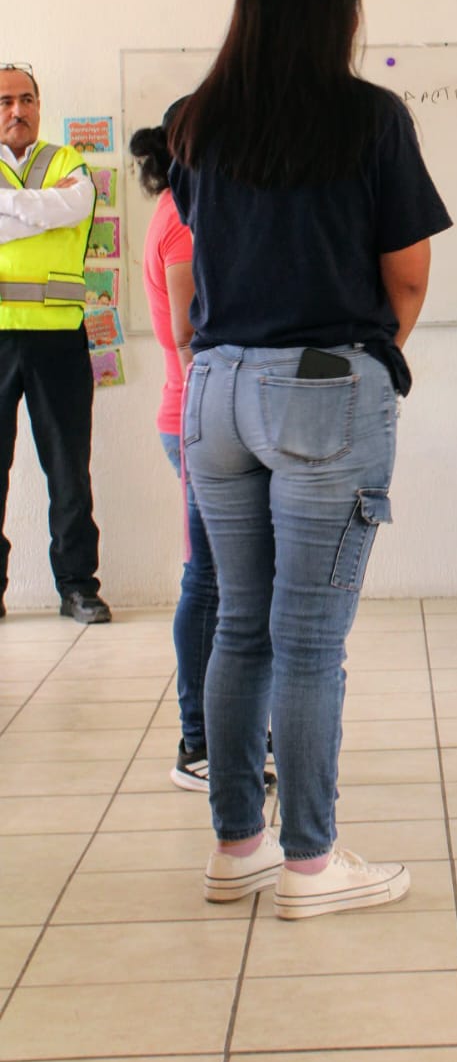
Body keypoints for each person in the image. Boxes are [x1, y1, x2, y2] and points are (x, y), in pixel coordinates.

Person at [169, 0, 451, 920]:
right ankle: (311, 865)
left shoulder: (196, 122)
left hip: (214, 387)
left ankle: (236, 848)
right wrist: (362, 363)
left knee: (239, 626)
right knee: (307, 640)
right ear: (341, 14)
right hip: (322, 380)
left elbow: (197, 263)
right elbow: (406, 276)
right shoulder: (369, 117)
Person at [131, 115, 277, 795]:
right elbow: (190, 335)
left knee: (228, 580)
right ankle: (199, 742)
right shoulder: (186, 217)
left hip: (204, 419)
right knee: (212, 581)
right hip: (200, 421)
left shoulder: (184, 204)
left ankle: (233, 728)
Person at [0, 63, 109, 623]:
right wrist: (43, 209)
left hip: (59, 336)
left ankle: (78, 587)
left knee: (69, 470)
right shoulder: (58, 176)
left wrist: (10, 206)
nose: (17, 111)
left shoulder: (70, 162)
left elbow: (76, 206)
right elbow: (57, 211)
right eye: (4, 101)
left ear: (39, 105)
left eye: (26, 99)